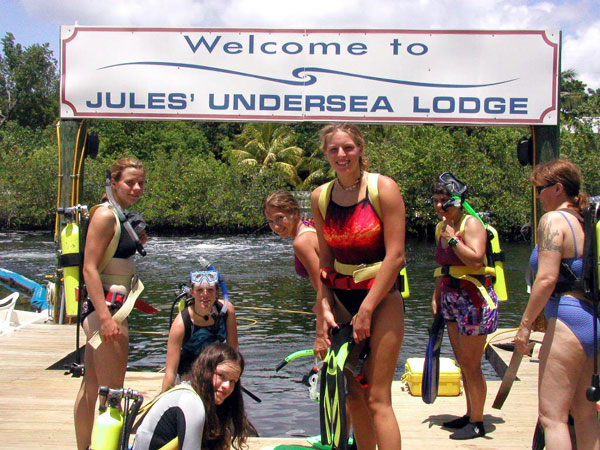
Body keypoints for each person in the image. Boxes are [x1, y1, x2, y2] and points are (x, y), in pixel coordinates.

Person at [311, 123, 405, 450]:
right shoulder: (320, 197)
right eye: (334, 149)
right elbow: (324, 261)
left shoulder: (384, 188)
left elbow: (395, 257)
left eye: (348, 147)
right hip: (341, 303)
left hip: (382, 300)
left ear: (360, 148)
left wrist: (366, 310)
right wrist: (323, 308)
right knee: (354, 397)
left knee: (377, 396)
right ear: (325, 153)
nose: (341, 154)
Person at [515, 159, 600, 449]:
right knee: (586, 412)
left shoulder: (553, 221)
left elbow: (546, 279)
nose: (537, 195)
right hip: (592, 319)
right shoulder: (585, 221)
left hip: (567, 319)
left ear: (558, 188)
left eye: (540, 189)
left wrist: (525, 325)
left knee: (552, 417)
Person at [74, 157, 148, 450]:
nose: (137, 188)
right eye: (130, 182)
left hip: (106, 309)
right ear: (113, 182)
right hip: (107, 312)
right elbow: (89, 269)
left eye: (141, 183)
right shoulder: (105, 216)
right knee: (113, 393)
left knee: (92, 388)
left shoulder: (119, 216)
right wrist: (106, 319)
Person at [431, 173, 498, 440]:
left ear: (457, 201)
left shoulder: (470, 224)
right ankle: (470, 414)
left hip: (475, 300)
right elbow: (443, 268)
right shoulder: (442, 227)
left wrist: (453, 239)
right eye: (436, 201)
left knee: (472, 364)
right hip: (451, 296)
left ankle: (479, 421)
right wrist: (436, 296)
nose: (439, 207)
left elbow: (476, 261)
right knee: (462, 362)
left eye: (444, 201)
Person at [134, 343, 252, 450]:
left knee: (223, 435)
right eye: (221, 376)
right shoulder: (191, 402)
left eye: (232, 381)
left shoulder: (198, 395)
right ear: (206, 371)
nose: (227, 386)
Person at [263, 190, 327, 355]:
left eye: (280, 218)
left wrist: (320, 335)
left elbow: (323, 287)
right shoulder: (310, 227)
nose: (276, 226)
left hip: (341, 307)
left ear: (295, 213)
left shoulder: (302, 242)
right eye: (270, 221)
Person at [162, 269, 238, 392]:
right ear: (192, 292)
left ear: (217, 292)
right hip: (190, 368)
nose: (205, 295)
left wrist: (233, 381)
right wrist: (163, 399)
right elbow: (170, 372)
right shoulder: (181, 324)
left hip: (217, 364)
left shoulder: (227, 311)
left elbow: (233, 351)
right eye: (199, 290)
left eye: (210, 290)